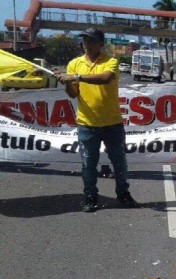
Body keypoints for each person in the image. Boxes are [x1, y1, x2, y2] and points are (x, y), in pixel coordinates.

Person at [55, 28, 138, 213]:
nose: (86, 44)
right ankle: (90, 196)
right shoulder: (74, 64)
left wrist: (75, 77)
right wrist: (67, 82)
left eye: (90, 40)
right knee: (88, 164)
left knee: (119, 162)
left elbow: (106, 78)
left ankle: (123, 193)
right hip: (87, 123)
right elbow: (73, 93)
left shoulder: (111, 62)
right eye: (84, 40)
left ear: (101, 44)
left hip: (112, 123)